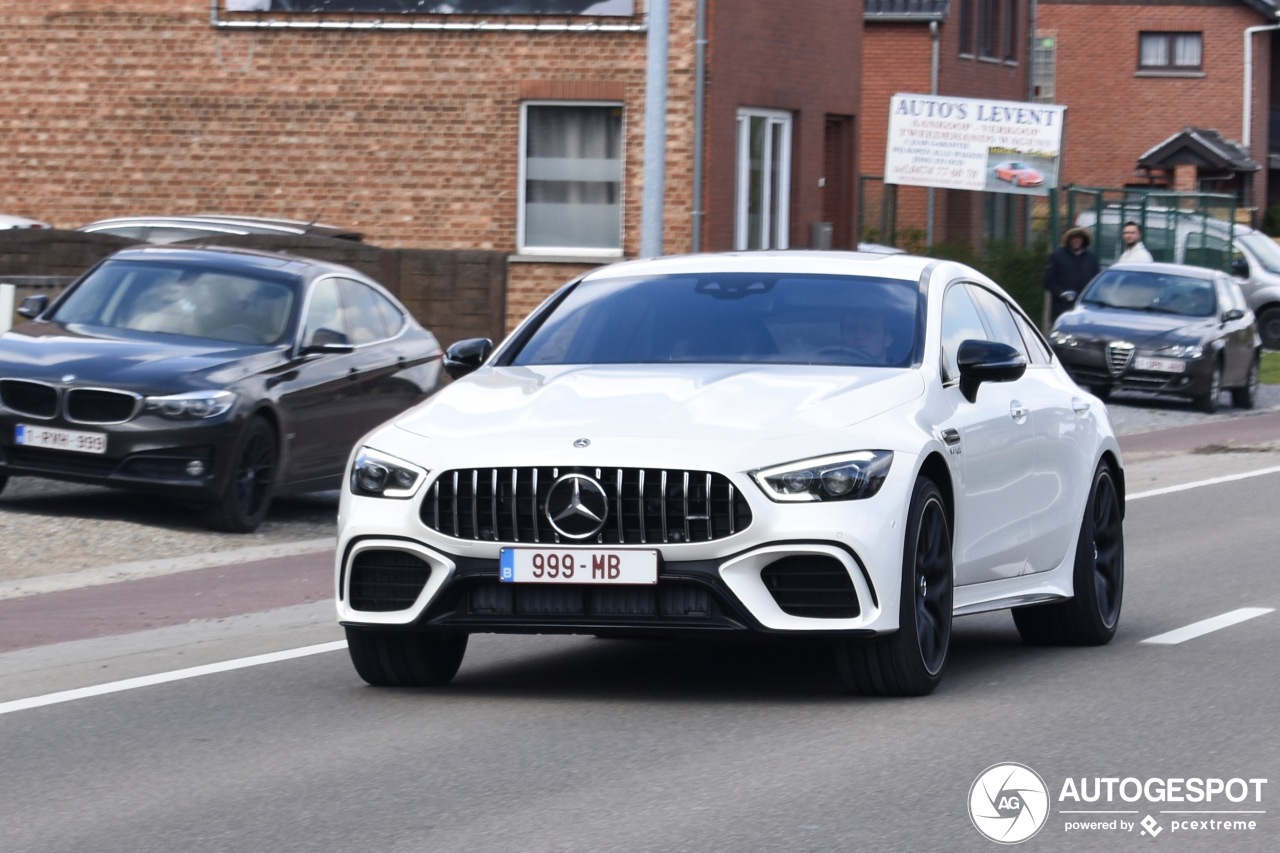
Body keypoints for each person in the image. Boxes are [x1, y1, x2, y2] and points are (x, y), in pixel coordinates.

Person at [1043, 226, 1100, 324]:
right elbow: (1048, 280)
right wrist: (1061, 293)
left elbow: (1097, 281)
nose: (1076, 240)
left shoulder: (1091, 258)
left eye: (1079, 238)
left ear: (1083, 240)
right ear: (1068, 240)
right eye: (1073, 238)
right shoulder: (1057, 256)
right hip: (1062, 309)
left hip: (1085, 308)